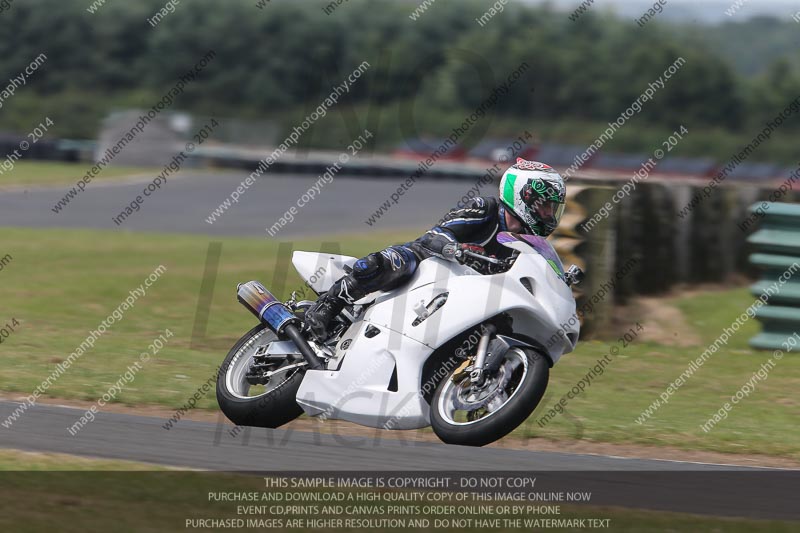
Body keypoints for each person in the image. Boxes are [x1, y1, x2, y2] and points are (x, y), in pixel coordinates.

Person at [303, 158, 567, 340]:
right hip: (427, 264)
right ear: (524, 197)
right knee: (394, 262)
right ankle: (328, 304)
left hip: (466, 292)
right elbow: (436, 234)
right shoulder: (485, 208)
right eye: (545, 206)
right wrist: (453, 249)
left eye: (552, 209)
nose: (548, 214)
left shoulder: (528, 245)